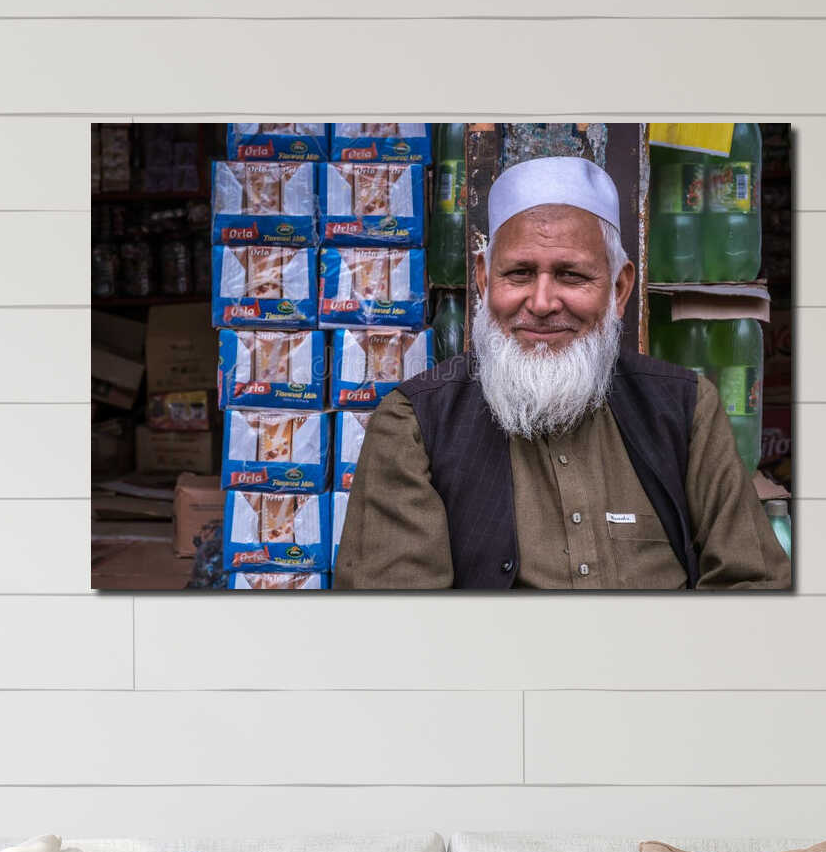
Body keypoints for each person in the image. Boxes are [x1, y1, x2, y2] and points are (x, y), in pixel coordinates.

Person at [335, 155, 789, 591]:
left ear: (619, 288)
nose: (542, 302)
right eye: (519, 273)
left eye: (572, 276)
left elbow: (752, 584)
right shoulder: (415, 425)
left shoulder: (685, 410)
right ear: (483, 279)